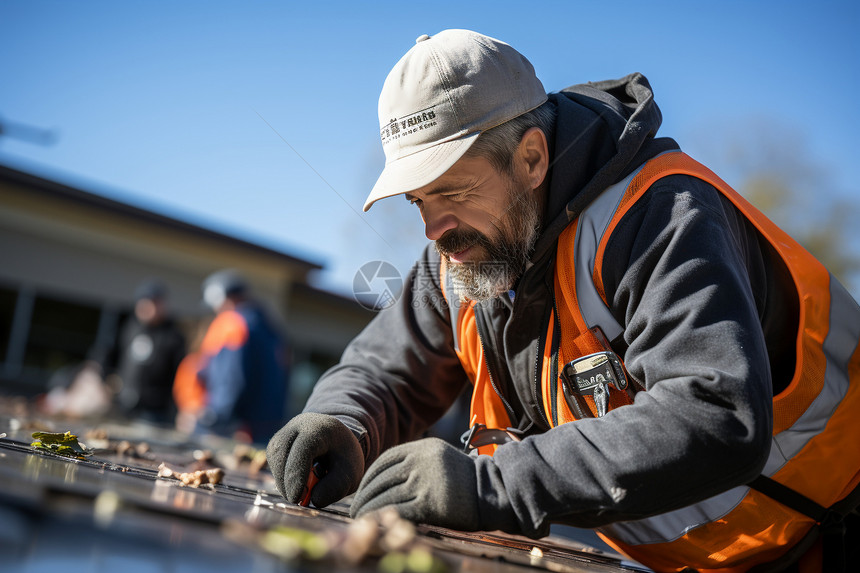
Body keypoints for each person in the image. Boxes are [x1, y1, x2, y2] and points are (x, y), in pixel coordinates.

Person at [266, 30, 860, 572]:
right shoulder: (464, 252)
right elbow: (385, 369)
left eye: (452, 189)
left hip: (826, 536)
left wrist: (490, 487)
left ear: (531, 158)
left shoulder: (660, 215)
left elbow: (714, 411)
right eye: (417, 201)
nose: (433, 229)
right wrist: (343, 423)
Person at [194, 269, 289, 444]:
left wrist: (214, 418)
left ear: (223, 298)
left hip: (236, 428)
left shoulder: (234, 324)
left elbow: (230, 379)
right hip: (267, 426)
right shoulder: (268, 327)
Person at [103, 279, 186, 422]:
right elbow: (108, 354)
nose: (148, 308)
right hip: (123, 405)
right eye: (145, 303)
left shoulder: (173, 336)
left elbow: (181, 374)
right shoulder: (129, 328)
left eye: (154, 303)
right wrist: (106, 379)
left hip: (156, 412)